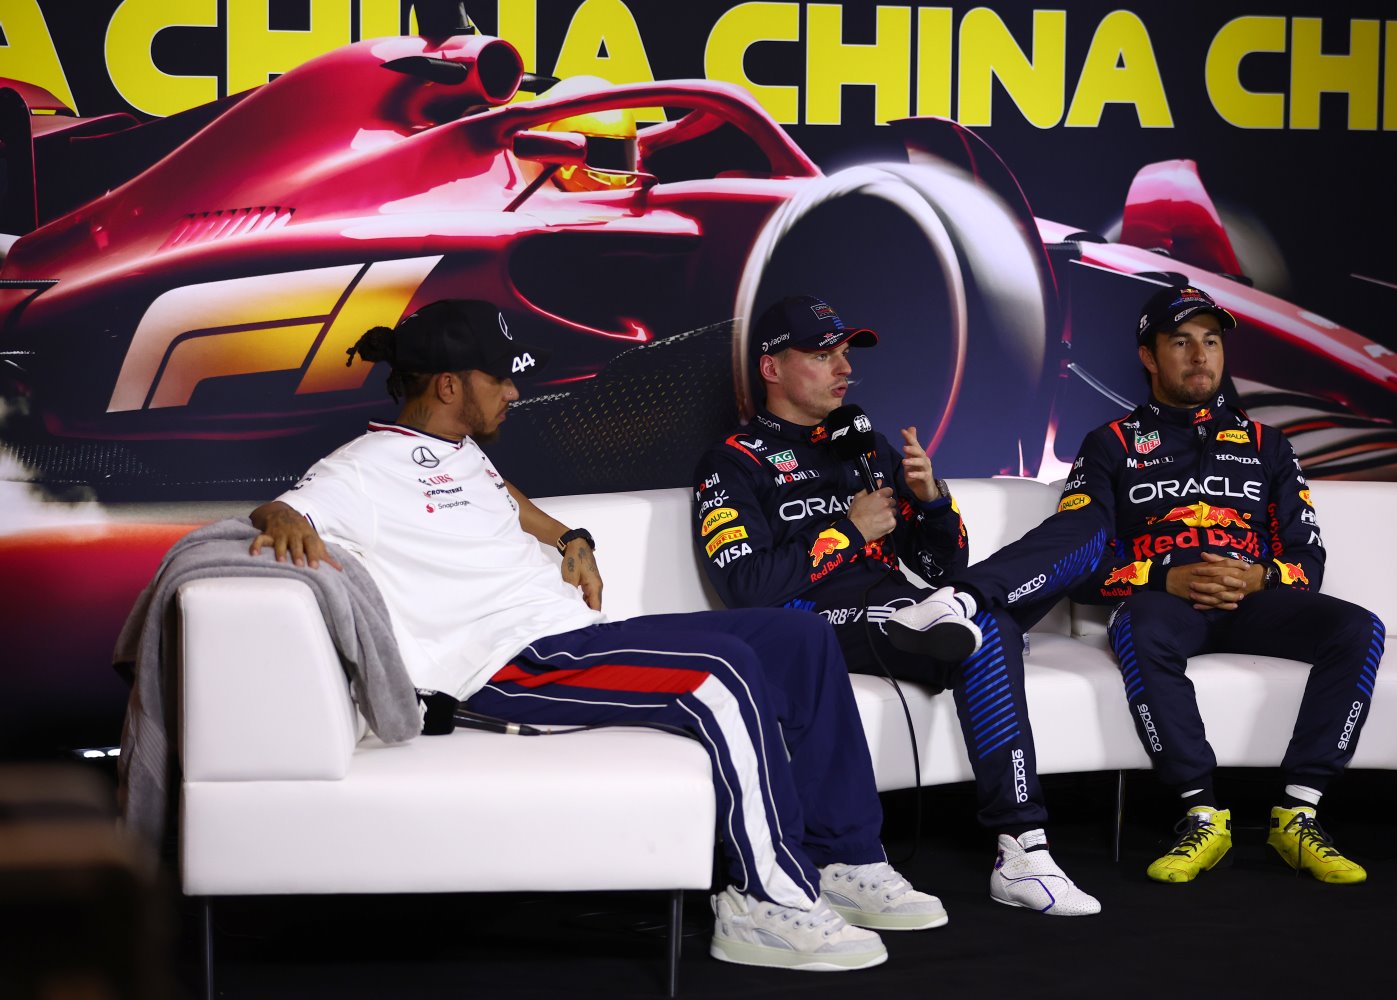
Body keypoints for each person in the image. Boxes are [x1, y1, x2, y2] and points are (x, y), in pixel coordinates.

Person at [248, 299, 947, 972]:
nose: (516, 392)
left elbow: (509, 501)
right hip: (507, 665)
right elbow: (288, 506)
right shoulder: (361, 471)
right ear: (450, 383)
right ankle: (766, 900)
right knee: (722, 672)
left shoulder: (458, 449)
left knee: (797, 639)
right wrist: (282, 519)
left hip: (570, 636)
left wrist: (571, 538)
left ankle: (846, 858)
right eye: (501, 378)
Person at [692, 295, 1110, 917]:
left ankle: (958, 611)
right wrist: (847, 531)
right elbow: (747, 587)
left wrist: (933, 501)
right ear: (772, 368)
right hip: (816, 626)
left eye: (844, 355)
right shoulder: (731, 463)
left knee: (1090, 529)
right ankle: (1023, 848)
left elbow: (945, 567)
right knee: (986, 625)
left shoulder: (869, 448)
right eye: (821, 354)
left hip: (918, 612)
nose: (842, 368)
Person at [1058, 284, 1384, 884]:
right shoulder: (1108, 446)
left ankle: (1300, 813)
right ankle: (1201, 814)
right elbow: (1076, 566)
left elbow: (1308, 560)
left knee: (1358, 628)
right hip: (1166, 607)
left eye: (1210, 341)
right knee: (1136, 624)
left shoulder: (1269, 446)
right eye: (1181, 341)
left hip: (1254, 603)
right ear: (1149, 357)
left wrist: (1260, 575)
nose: (1200, 355)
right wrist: (1164, 577)